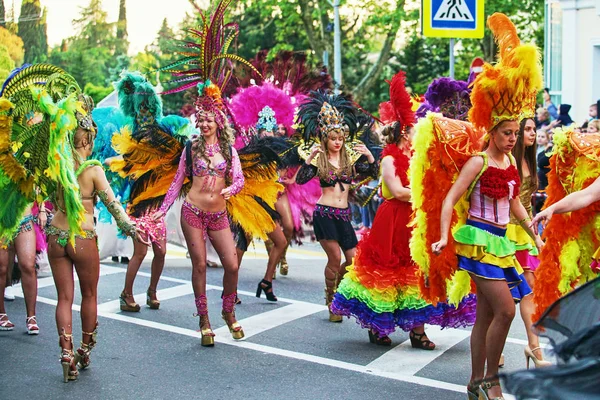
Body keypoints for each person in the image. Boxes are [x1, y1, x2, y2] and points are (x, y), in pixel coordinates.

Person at [430, 13, 544, 399]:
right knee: (507, 311)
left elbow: (514, 202)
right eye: (508, 133)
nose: (514, 139)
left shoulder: (510, 162)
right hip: (478, 242)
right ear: (492, 130)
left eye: (517, 133)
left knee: (485, 317)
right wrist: (444, 237)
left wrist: (534, 234)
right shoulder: (478, 162)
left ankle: (474, 381)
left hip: (503, 244)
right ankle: (490, 380)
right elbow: (450, 199)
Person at [331, 71, 476, 347]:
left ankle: (418, 330)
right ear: (402, 132)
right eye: (413, 130)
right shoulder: (389, 157)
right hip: (393, 221)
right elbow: (397, 191)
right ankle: (379, 326)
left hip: (415, 222)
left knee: (417, 274)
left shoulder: (418, 157)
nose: (416, 135)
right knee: (386, 275)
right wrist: (427, 195)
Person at [154, 80, 245, 347]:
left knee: (232, 265)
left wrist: (232, 188)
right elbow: (177, 181)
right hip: (192, 211)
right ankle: (204, 320)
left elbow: (239, 179)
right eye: (201, 120)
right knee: (201, 265)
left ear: (219, 123)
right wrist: (162, 210)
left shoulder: (229, 151)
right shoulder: (190, 149)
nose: (204, 125)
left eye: (209, 120)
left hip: (218, 215)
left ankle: (228, 310)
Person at [106, 72, 196, 312]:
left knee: (161, 251)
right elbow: (126, 163)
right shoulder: (133, 137)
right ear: (135, 112)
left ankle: (152, 291)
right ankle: (126, 294)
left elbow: (179, 157)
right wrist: (110, 163)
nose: (145, 114)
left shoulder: (165, 135)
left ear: (154, 110)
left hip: (157, 204)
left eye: (148, 109)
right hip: (138, 202)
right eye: (141, 110)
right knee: (140, 250)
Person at [296, 92, 377, 322]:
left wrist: (370, 156)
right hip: (325, 215)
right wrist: (310, 157)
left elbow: (372, 172)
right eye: (333, 138)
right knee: (333, 259)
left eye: (340, 138)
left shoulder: (349, 161)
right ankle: (331, 299)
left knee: (352, 261)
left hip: (343, 216)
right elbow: (301, 179)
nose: (338, 142)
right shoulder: (320, 160)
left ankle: (339, 293)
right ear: (326, 139)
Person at [506, 118, 550, 368]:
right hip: (504, 232)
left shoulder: (530, 160)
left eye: (535, 129)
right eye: (529, 129)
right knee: (502, 297)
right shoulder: (507, 159)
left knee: (530, 290)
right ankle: (494, 348)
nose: (534, 133)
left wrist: (535, 233)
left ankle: (534, 348)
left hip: (525, 232)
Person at [0, 203, 40, 334]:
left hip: (24, 218)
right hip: (2, 218)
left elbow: (39, 185)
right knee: (2, 268)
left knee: (28, 265)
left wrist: (43, 208)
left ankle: (31, 317)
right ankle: (1, 313)